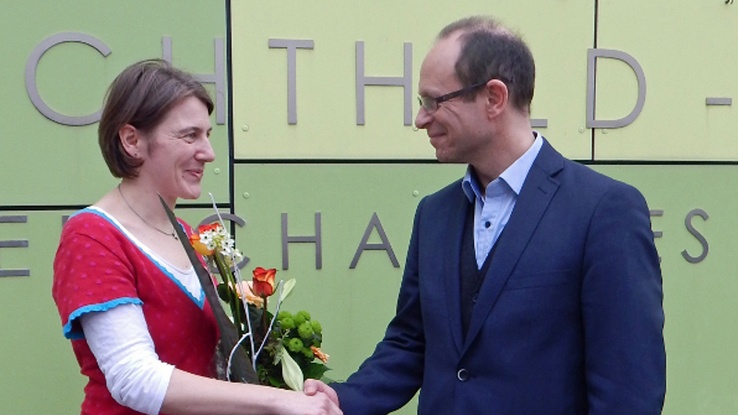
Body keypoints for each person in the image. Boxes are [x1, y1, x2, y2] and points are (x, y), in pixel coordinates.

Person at [305, 15, 666, 414]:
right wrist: (342, 399)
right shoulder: (433, 215)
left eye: (433, 101)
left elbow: (627, 391)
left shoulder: (603, 210)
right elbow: (412, 342)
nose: (421, 118)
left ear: (494, 98)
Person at [52, 59, 341, 415]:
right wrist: (278, 402)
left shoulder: (187, 235)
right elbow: (134, 378)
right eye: (190, 135)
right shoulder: (93, 236)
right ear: (132, 140)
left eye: (207, 135)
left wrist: (292, 386)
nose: (208, 152)